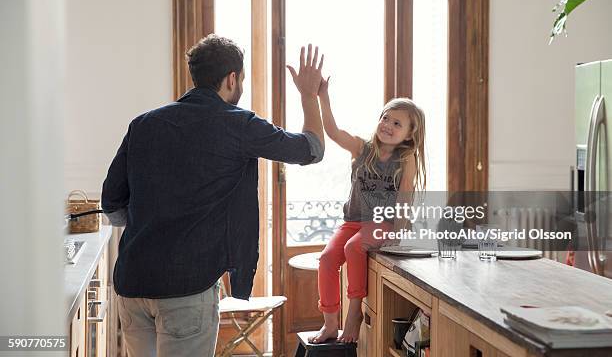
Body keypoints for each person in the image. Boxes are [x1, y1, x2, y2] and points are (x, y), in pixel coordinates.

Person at [101, 34, 326, 357]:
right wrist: (308, 95)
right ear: (232, 78)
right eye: (243, 79)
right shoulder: (239, 125)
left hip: (132, 284)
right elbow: (312, 150)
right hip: (186, 289)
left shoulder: (144, 124)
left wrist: (151, 224)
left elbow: (112, 205)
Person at [310, 77, 426, 343]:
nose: (388, 125)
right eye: (385, 118)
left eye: (397, 123)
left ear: (409, 134)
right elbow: (333, 131)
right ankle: (329, 323)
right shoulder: (362, 149)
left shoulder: (405, 158)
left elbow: (405, 198)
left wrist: (398, 233)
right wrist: (323, 97)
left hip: (382, 223)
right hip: (352, 221)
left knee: (354, 247)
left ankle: (354, 314)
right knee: (327, 259)